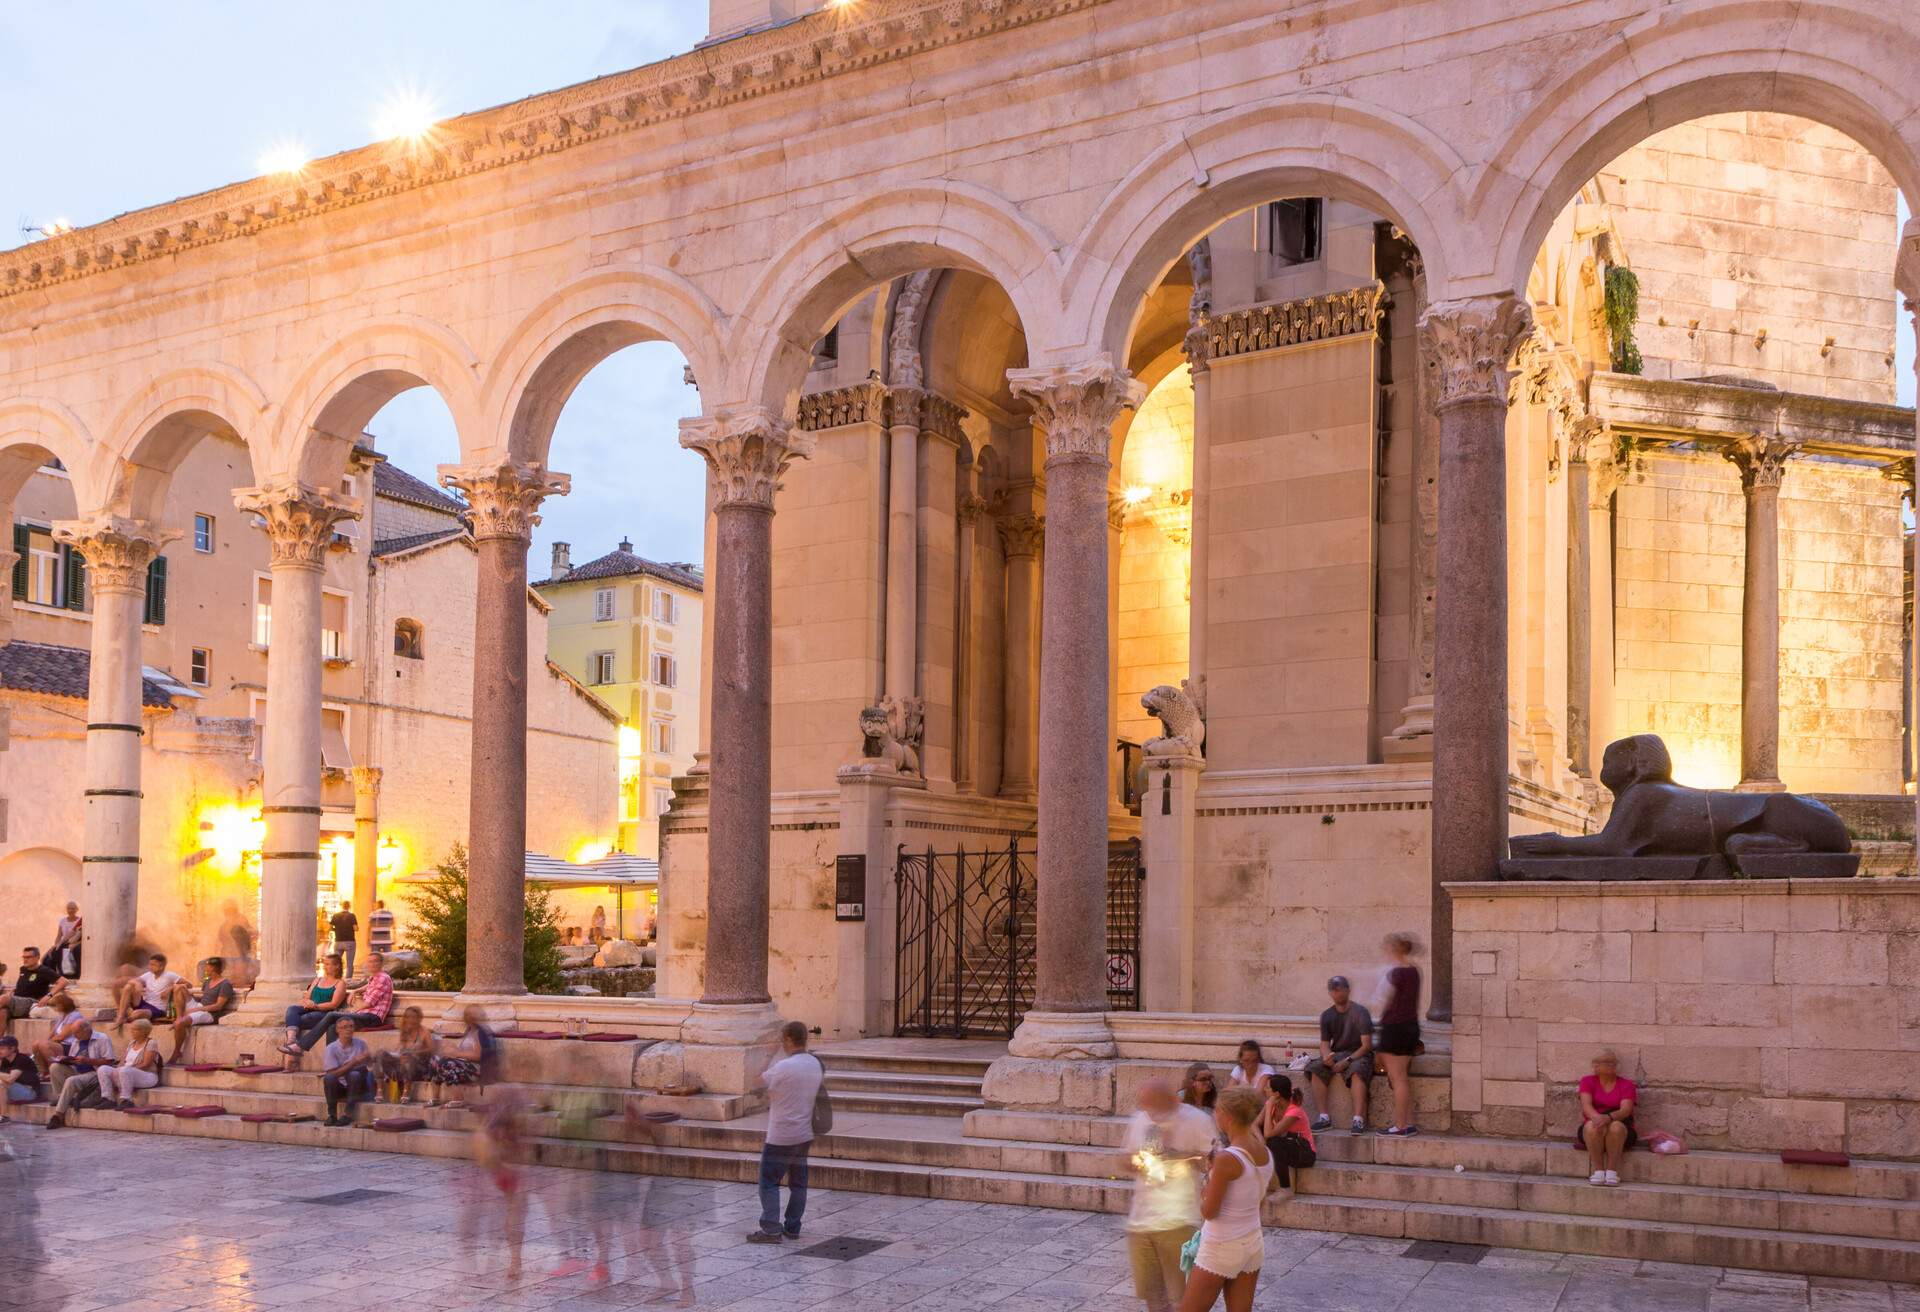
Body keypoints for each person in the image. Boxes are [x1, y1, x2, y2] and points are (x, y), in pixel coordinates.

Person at [1122, 1078, 1216, 1312]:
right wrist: (1133, 1162)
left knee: (1183, 1297)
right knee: (1153, 1295)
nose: (1149, 1113)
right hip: (1141, 1222)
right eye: (1145, 1106)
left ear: (1172, 1100)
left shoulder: (1197, 1120)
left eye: (1154, 1106)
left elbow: (1214, 1161)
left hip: (1179, 1221)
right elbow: (1124, 1156)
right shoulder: (1140, 1120)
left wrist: (1179, 1156)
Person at [1178, 1086, 1273, 1311]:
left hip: (1221, 1245)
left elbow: (1209, 1211)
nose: (1214, 1114)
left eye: (1217, 1110)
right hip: (1252, 1243)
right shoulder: (1264, 1152)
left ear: (1228, 1117)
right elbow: (1258, 1201)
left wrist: (1204, 1184)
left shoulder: (1226, 1159)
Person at [747, 1020, 823, 1244]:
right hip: (804, 1133)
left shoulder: (783, 1067)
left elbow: (754, 1082)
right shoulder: (814, 1063)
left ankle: (770, 1229)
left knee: (768, 1182)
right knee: (798, 1183)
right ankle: (793, 1227)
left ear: (788, 1040)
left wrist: (767, 1055)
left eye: (782, 1040)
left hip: (781, 1135)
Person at [1306, 975, 1375, 1133]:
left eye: (1340, 990)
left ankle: (1358, 1119)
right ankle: (1324, 1117)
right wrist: (1326, 1056)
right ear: (1330, 993)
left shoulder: (1360, 1012)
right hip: (1338, 1053)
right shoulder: (1327, 1015)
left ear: (1348, 990)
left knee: (1357, 1071)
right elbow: (1324, 1044)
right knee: (1315, 1068)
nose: (1337, 994)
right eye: (1334, 990)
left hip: (1359, 1053)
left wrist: (1347, 1061)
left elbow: (1367, 1045)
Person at [291, 952, 394, 1056]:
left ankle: (301, 1046)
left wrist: (352, 1011)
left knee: (331, 1015)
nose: (372, 964)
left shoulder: (382, 978)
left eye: (376, 961)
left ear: (381, 963)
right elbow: (368, 986)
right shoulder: (375, 978)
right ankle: (332, 1063)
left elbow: (369, 1003)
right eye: (370, 961)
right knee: (332, 1026)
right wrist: (355, 991)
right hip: (364, 1016)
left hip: (372, 1018)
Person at [1372, 932, 1422, 1138]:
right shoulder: (1414, 971)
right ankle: (1408, 1122)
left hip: (1395, 1027)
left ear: (1394, 949)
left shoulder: (1394, 973)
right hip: (1411, 1026)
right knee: (1402, 1077)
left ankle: (1400, 1125)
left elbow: (1380, 999)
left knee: (1397, 1078)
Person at [1577, 1049, 1638, 1187]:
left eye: (1613, 1062)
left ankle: (1611, 1172)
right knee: (1592, 1126)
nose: (1611, 1064)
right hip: (1595, 1124)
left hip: (1622, 1127)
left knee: (1615, 1127)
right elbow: (1586, 1105)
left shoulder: (1626, 1084)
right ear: (1596, 1065)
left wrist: (1608, 1117)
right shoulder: (1587, 1081)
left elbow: (1626, 1110)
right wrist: (1597, 1118)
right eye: (1606, 1062)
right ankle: (1598, 1171)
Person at [277, 954, 347, 1069]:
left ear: (337, 966)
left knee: (300, 1019)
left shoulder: (340, 983)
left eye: (329, 964)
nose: (325, 966)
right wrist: (306, 1002)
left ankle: (291, 1059)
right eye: (325, 964)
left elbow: (334, 1004)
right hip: (310, 1008)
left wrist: (316, 1006)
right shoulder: (317, 980)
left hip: (324, 1013)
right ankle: (291, 1041)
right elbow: (306, 997)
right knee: (292, 1009)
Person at [427, 1005, 499, 1107]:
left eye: (470, 1014)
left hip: (476, 1069)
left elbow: (478, 1055)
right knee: (435, 1060)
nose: (467, 1017)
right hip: (465, 1064)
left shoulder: (480, 1032)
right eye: (466, 1014)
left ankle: (458, 1099)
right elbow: (465, 1052)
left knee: (449, 1064)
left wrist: (456, 1053)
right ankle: (435, 1098)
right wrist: (452, 1049)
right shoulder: (469, 1031)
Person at [1259, 1074, 1316, 1195]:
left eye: (1268, 1088)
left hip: (1304, 1154)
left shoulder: (1294, 1111)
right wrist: (1260, 1140)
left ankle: (1285, 1188)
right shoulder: (1273, 1106)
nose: (1264, 1089)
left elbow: (1269, 1133)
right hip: (1288, 1148)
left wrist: (1269, 1107)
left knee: (1273, 1142)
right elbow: (1254, 1125)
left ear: (1277, 1094)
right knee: (1260, 1137)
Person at [169, 957, 236, 1059]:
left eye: (207, 966)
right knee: (179, 988)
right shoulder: (207, 981)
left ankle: (177, 1051)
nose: (205, 968)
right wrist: (188, 995)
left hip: (209, 1014)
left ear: (213, 968)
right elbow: (204, 998)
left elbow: (218, 1006)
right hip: (200, 1006)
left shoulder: (225, 984)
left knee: (179, 1024)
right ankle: (179, 1017)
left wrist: (195, 1009)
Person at [97, 1018, 163, 1110]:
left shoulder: (151, 1043)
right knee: (103, 1069)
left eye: (134, 1029)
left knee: (125, 1070)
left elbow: (146, 1064)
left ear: (143, 1031)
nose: (131, 1031)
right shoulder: (132, 1043)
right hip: (126, 1073)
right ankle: (108, 1099)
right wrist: (117, 1070)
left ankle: (127, 1100)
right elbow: (122, 1062)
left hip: (147, 1076)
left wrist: (126, 1069)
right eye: (131, 1029)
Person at [320, 1015, 374, 1127]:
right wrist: (354, 1062)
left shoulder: (361, 1044)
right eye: (345, 1027)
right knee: (329, 1078)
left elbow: (369, 1066)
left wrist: (369, 1058)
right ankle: (332, 1115)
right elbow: (332, 1074)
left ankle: (348, 1115)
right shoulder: (331, 1048)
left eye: (351, 1026)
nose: (349, 1029)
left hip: (357, 1085)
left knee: (355, 1074)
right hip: (339, 1087)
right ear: (337, 1030)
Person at [111, 953, 186, 1031]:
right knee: (128, 987)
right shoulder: (148, 975)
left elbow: (188, 984)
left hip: (157, 1009)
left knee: (137, 1014)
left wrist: (171, 988)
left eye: (153, 965)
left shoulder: (169, 975)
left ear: (161, 966)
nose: (150, 967)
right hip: (144, 1003)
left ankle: (128, 1018)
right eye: (150, 964)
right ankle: (121, 1016)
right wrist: (137, 984)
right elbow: (132, 980)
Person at [375, 1006, 435, 1103]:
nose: (410, 1020)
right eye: (407, 1017)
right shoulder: (404, 1030)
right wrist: (396, 1055)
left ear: (419, 1018)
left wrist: (414, 1052)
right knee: (380, 1054)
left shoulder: (424, 1032)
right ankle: (379, 1090)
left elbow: (431, 1050)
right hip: (402, 1064)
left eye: (413, 1017)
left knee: (408, 1057)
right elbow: (400, 1048)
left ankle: (406, 1091)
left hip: (417, 1066)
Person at [2, 948, 60, 1027]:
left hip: (32, 1003)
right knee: (2, 1012)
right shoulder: (23, 969)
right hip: (18, 1003)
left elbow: (64, 981)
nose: (25, 960)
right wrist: (13, 990)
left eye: (28, 957)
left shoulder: (44, 970)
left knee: (4, 998)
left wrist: (48, 996)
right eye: (24, 957)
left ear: (37, 957)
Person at [28, 995, 84, 1075]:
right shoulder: (62, 1016)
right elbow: (52, 1032)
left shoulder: (74, 1015)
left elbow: (61, 1036)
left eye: (55, 1005)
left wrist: (46, 1042)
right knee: (36, 1044)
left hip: (70, 1046)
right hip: (59, 1044)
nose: (54, 1008)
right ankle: (44, 1071)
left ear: (62, 1005)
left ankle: (53, 1072)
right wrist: (43, 1041)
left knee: (44, 1045)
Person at [0, 1036, 41, 1122]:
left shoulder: (21, 1059)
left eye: (2, 1048)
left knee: (1, 1084)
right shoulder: (5, 1061)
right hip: (15, 1089)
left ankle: (4, 1116)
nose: (0, 1051)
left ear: (13, 1048)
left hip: (29, 1092)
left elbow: (10, 1079)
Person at [49, 903, 82, 979]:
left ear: (77, 909)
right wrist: (57, 944)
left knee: (71, 950)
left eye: (73, 908)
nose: (70, 910)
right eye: (69, 908)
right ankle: (59, 975)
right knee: (53, 953)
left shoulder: (79, 920)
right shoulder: (62, 920)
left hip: (74, 941)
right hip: (65, 941)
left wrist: (74, 943)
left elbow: (78, 934)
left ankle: (72, 975)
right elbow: (59, 935)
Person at [329, 905, 359, 979]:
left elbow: (329, 927)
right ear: (349, 907)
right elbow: (355, 928)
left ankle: (335, 978)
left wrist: (336, 929)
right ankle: (348, 980)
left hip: (338, 941)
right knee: (349, 963)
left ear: (341, 906)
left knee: (336, 962)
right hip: (350, 941)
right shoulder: (352, 916)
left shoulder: (335, 916)